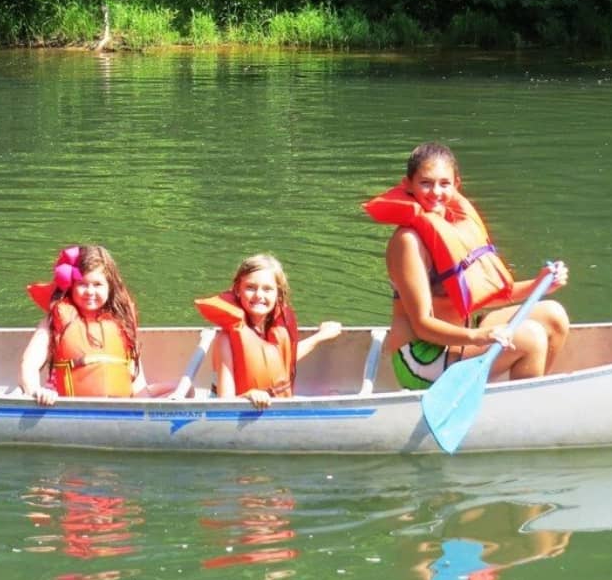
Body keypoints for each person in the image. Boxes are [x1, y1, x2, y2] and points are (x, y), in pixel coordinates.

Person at [363, 142, 569, 390]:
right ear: (408, 185)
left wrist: (540, 284)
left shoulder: (453, 227)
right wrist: (479, 337)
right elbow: (421, 325)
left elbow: (480, 295)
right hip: (421, 357)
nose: (435, 192)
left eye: (444, 183)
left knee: (554, 315)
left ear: (456, 185)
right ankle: (524, 408)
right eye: (425, 183)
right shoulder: (408, 242)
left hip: (460, 337)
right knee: (531, 337)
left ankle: (527, 391)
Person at [194, 254, 341, 408]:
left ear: (278, 294)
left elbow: (283, 358)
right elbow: (225, 402)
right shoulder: (226, 340)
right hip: (238, 409)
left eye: (267, 289)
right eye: (250, 287)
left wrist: (320, 336)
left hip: (275, 403)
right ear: (237, 290)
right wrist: (249, 395)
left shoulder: (275, 329)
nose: (259, 295)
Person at [19, 245, 157, 405]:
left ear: (110, 287)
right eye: (82, 284)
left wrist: (147, 408)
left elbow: (137, 379)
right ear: (71, 287)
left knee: (180, 390)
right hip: (65, 406)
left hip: (119, 408)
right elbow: (29, 364)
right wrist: (36, 391)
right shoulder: (54, 321)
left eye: (98, 284)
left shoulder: (122, 323)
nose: (90, 291)